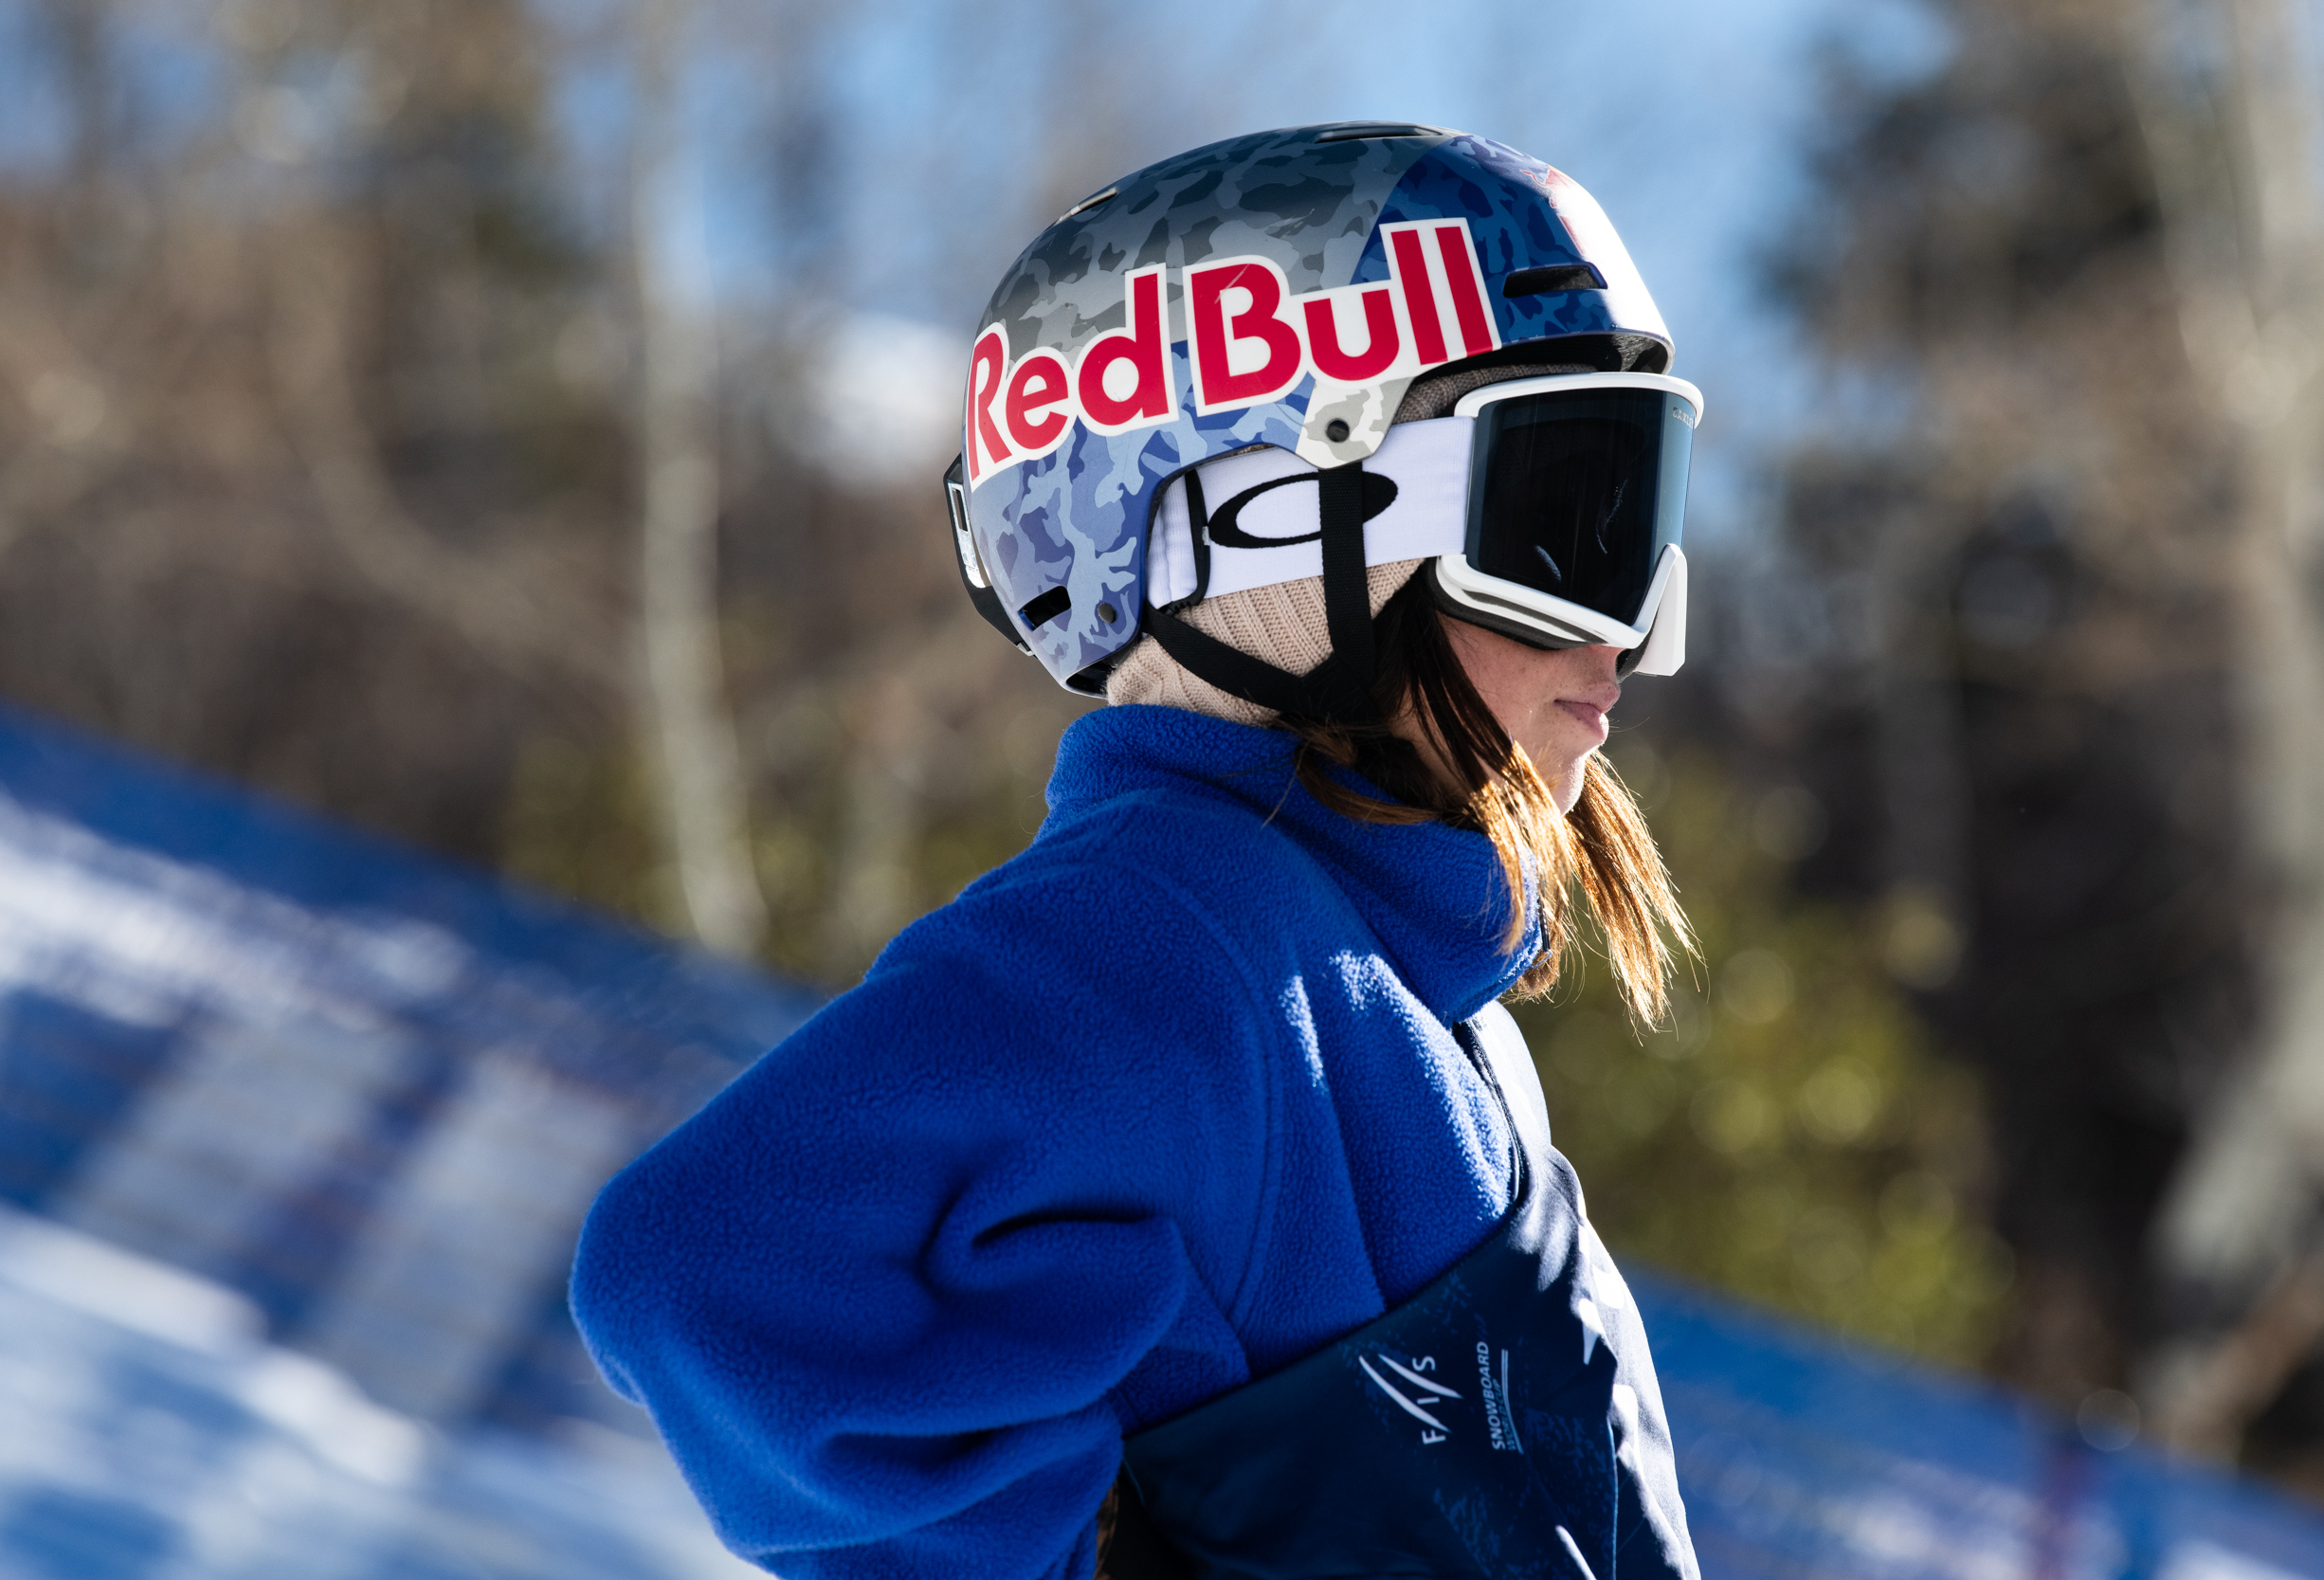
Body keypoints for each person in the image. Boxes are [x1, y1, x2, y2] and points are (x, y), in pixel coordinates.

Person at [572, 121, 1705, 1580]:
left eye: (1644, 512)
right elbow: (697, 1265)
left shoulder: (1388, 984)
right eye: (1566, 516)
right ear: (1273, 521)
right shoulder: (1181, 939)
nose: (1625, 626)